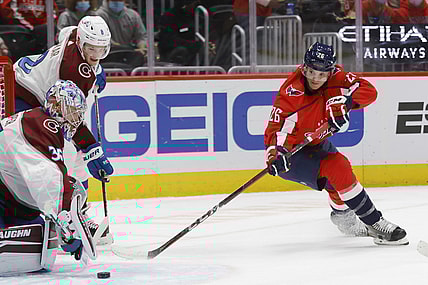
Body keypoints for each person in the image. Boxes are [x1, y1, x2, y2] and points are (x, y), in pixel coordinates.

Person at [264, 42, 408, 245]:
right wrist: (276, 154)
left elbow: (370, 91)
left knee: (336, 178)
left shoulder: (336, 77)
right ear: (304, 67)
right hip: (291, 154)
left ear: (330, 72)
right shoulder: (291, 93)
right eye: (312, 71)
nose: (316, 78)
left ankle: (343, 218)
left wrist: (344, 102)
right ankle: (375, 224)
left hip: (316, 143)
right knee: (338, 167)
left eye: (322, 74)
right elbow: (276, 129)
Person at [13, 15, 114, 245]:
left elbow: (65, 31)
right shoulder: (75, 69)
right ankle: (68, 217)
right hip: (24, 96)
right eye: (91, 49)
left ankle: (77, 213)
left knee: (71, 156)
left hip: (32, 86)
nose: (95, 56)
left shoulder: (72, 36)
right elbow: (71, 118)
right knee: (61, 156)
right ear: (80, 41)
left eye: (101, 51)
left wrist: (97, 70)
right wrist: (92, 148)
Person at [0, 80, 97, 274]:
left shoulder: (39, 122)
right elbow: (45, 175)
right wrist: (66, 220)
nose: (76, 118)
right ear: (56, 105)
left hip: (8, 200)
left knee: (70, 191)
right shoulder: (40, 124)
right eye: (72, 110)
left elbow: (55, 174)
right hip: (4, 198)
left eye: (78, 112)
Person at [158, 0, 214, 65]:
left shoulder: (199, 15)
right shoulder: (170, 17)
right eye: (194, 3)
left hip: (196, 57)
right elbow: (168, 41)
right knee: (181, 50)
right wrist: (196, 45)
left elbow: (208, 34)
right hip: (173, 58)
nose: (194, 6)